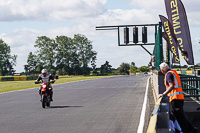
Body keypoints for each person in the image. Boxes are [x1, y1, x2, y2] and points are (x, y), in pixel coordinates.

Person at [159, 62, 197, 133]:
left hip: (175, 98)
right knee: (181, 117)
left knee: (180, 118)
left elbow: (171, 86)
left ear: (162, 70)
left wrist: (163, 94)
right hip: (179, 97)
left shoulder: (168, 74)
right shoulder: (173, 72)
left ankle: (187, 131)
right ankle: (192, 129)